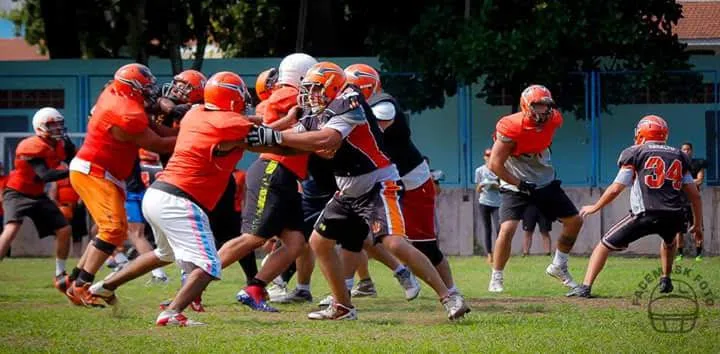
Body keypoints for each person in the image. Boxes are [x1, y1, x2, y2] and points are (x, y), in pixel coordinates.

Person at [248, 61, 470, 320]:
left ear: (332, 86)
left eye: (316, 89)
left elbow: (326, 139)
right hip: (348, 188)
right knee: (319, 242)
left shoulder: (349, 101)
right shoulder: (315, 111)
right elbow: (293, 144)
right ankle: (343, 306)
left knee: (394, 242)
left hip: (377, 183)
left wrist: (275, 137)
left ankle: (449, 297)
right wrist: (252, 140)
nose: (310, 95)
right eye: (308, 89)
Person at [89, 72, 257, 326]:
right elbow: (256, 132)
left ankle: (105, 285)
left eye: (184, 86)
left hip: (159, 192)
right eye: (177, 85)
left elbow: (240, 122)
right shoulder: (210, 118)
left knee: (164, 253)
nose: (176, 90)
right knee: (210, 263)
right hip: (181, 197)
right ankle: (173, 311)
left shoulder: (195, 113)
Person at [65, 63, 176, 307]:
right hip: (94, 171)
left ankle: (73, 281)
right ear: (132, 88)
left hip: (104, 171)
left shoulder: (117, 93)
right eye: (146, 88)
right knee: (113, 229)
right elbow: (158, 143)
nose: (151, 92)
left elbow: (151, 123)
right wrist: (195, 135)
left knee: (114, 228)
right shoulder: (126, 112)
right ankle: (82, 286)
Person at [220, 53, 318, 312]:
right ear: (301, 75)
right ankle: (196, 280)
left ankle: (254, 288)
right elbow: (268, 124)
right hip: (273, 169)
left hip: (286, 175)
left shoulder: (284, 95)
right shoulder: (289, 95)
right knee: (253, 238)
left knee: (296, 242)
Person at [567, 115, 703, 298]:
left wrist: (595, 206)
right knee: (669, 241)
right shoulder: (679, 155)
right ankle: (665, 279)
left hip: (645, 213)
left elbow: (616, 188)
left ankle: (585, 287)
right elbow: (694, 194)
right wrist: (698, 225)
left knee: (603, 245)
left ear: (642, 133)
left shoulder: (635, 152)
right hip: (674, 214)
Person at [487, 84, 583, 293]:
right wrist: (519, 183)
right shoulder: (510, 126)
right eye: (537, 106)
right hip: (516, 183)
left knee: (574, 221)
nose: (543, 111)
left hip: (543, 180)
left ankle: (558, 265)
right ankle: (496, 276)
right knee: (508, 228)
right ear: (525, 106)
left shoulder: (555, 119)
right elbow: (494, 164)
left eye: (546, 106)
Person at [0, 107, 75, 293]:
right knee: (11, 229)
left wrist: (74, 153)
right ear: (39, 127)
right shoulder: (31, 145)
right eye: (52, 124)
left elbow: (74, 158)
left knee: (64, 229)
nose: (57, 128)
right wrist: (74, 171)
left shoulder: (59, 144)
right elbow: (45, 175)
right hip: (17, 192)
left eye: (59, 123)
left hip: (38, 194)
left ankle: (60, 273)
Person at [675, 142, 707, 261]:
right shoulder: (677, 165)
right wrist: (689, 182)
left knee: (697, 228)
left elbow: (699, 181)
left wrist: (685, 182)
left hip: (694, 201)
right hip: (680, 201)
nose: (686, 151)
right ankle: (680, 254)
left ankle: (698, 254)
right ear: (681, 151)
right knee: (679, 230)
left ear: (691, 151)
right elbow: (675, 181)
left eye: (688, 149)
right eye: (684, 149)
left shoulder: (697, 164)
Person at [475, 148, 501, 264]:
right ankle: (489, 254)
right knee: (487, 229)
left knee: (499, 229)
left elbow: (503, 188)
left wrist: (497, 186)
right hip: (484, 202)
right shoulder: (479, 171)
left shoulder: (499, 169)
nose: (489, 157)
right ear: (484, 157)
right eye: (487, 156)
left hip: (497, 203)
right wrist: (481, 186)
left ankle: (498, 253)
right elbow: (478, 190)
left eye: (491, 155)